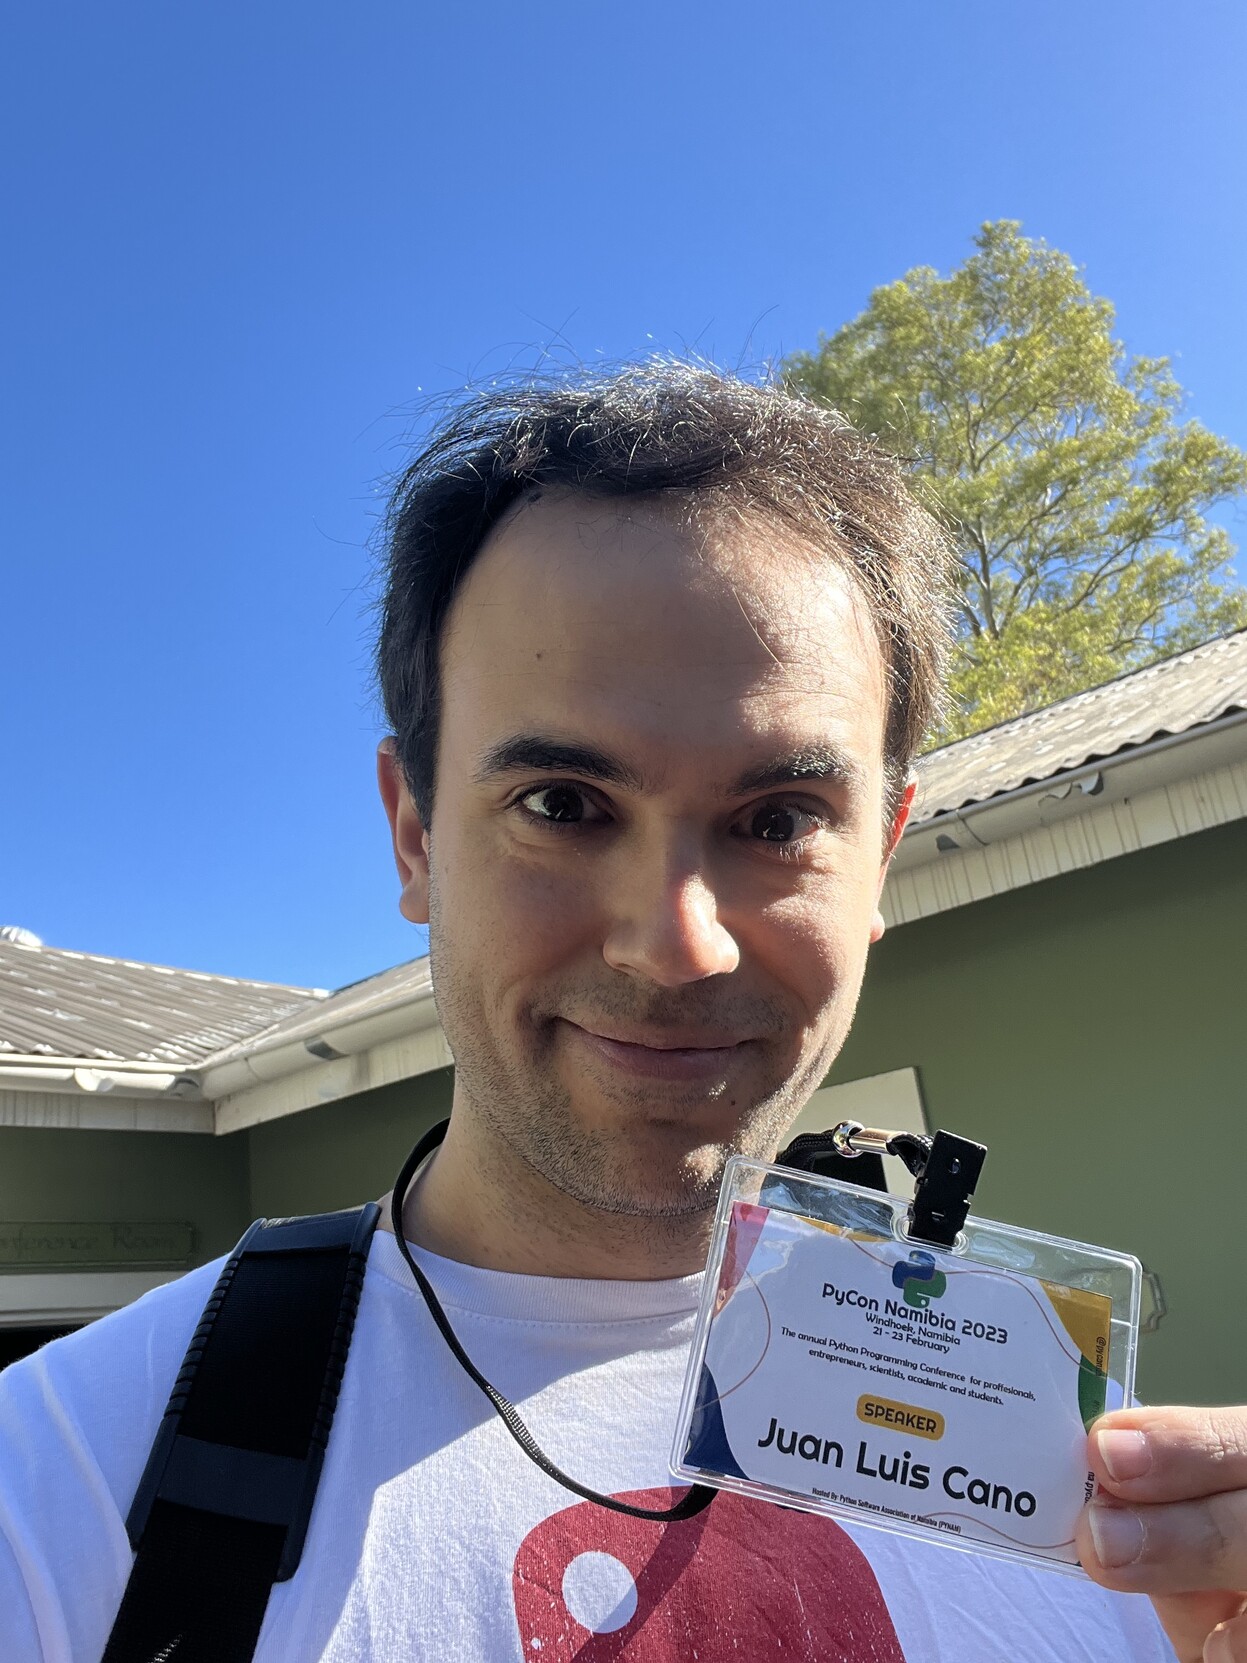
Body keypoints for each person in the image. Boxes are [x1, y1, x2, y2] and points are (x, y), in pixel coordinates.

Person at [0, 365, 1241, 1662]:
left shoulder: (1102, 1513)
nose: (676, 948)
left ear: (881, 856)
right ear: (414, 836)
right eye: (561, 804)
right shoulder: (56, 1494)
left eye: (778, 822)